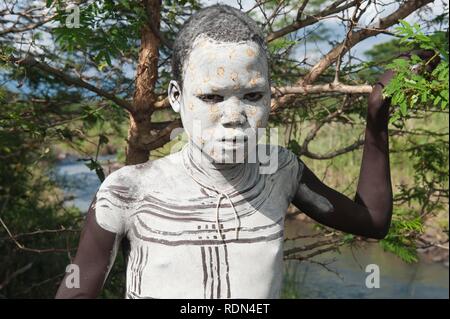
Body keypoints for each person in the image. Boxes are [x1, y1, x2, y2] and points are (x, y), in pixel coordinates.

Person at [56, 4, 416, 299]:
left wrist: (376, 116)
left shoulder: (279, 173)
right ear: (176, 97)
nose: (233, 117)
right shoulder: (129, 191)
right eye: (211, 97)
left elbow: (371, 222)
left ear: (270, 96)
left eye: (252, 96)